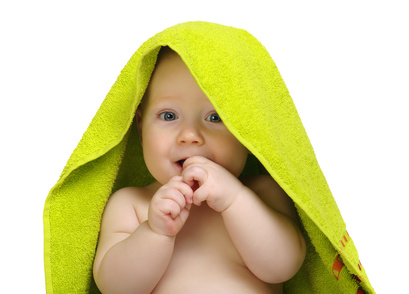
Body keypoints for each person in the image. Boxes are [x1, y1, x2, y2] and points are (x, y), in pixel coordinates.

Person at [92, 47, 306, 294]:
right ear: (141, 128)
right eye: (169, 115)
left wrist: (235, 199)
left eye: (215, 117)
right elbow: (116, 288)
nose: (190, 135)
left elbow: (283, 267)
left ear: (248, 134)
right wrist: (154, 232)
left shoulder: (261, 193)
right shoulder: (131, 204)